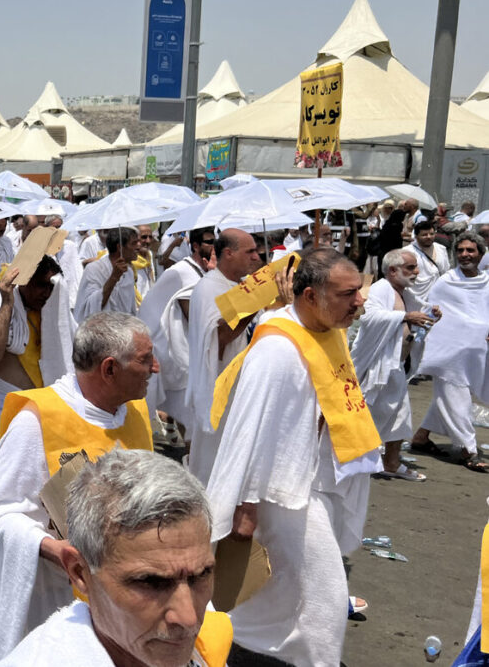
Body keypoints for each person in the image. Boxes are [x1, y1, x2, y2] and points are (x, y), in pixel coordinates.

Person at [0, 312, 156, 667]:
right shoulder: (38, 422)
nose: (155, 368)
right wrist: (54, 549)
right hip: (57, 600)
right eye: (145, 360)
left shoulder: (136, 412)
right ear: (109, 369)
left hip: (128, 595)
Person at [204, 247, 382, 667]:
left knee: (276, 589)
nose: (361, 301)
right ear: (310, 297)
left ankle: (242, 645)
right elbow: (251, 429)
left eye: (359, 291)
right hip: (278, 493)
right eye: (348, 294)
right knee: (326, 594)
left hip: (311, 481)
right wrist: (243, 508)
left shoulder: (324, 327)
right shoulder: (277, 349)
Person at [0, 448, 233, 667]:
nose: (189, 619)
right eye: (151, 582)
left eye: (201, 575)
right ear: (80, 572)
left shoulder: (204, 650)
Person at [185, 229, 264, 484]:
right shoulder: (210, 287)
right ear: (228, 253)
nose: (256, 256)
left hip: (245, 385)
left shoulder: (241, 286)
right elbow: (218, 339)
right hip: (219, 387)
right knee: (213, 467)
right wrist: (253, 304)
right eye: (249, 251)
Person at [350, 249, 436, 481]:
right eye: (410, 267)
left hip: (395, 365)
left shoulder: (403, 292)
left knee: (399, 416)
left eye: (415, 267)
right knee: (371, 415)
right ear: (392, 270)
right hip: (379, 366)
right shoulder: (380, 289)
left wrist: (430, 314)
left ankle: (390, 462)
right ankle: (359, 461)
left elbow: (417, 314)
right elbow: (369, 317)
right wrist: (405, 317)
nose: (416, 272)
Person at [0, 256, 75, 441]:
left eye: (51, 287)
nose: (46, 293)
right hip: (8, 404)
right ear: (24, 283)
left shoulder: (54, 311)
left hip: (47, 405)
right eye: (40, 285)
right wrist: (7, 303)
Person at [411, 232, 489, 472]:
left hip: (477, 353)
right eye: (461, 250)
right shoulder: (446, 281)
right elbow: (433, 312)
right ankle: (469, 449)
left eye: (470, 250)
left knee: (446, 398)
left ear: (480, 253)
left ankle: (421, 438)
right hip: (449, 353)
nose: (465, 255)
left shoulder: (487, 281)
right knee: (456, 398)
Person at [138, 227, 216, 440]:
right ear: (196, 246)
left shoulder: (202, 271)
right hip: (163, 345)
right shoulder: (184, 272)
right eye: (208, 242)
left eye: (215, 241)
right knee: (187, 413)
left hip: (176, 345)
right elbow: (197, 318)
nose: (213, 245)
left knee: (185, 412)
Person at [74, 227, 141, 322]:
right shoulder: (94, 269)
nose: (139, 246)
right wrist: (114, 278)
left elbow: (130, 309)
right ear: (119, 247)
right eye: (134, 243)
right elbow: (90, 307)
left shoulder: (128, 272)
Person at [408, 220, 450, 304]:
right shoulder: (408, 252)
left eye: (431, 234)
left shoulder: (441, 249)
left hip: (438, 298)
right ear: (416, 236)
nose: (429, 237)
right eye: (424, 235)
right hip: (414, 300)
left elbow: (446, 271)